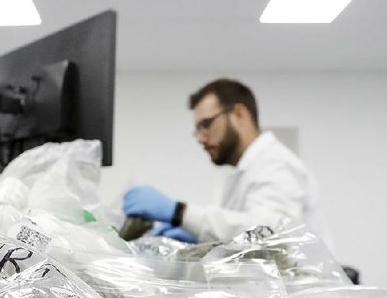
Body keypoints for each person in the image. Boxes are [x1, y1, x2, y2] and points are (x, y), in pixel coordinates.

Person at [122, 79, 327, 244]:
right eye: (198, 130)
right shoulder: (243, 172)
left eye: (206, 124)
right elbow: (242, 238)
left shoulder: (276, 164)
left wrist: (179, 213)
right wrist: (201, 240)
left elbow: (269, 234)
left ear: (239, 114)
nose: (201, 138)